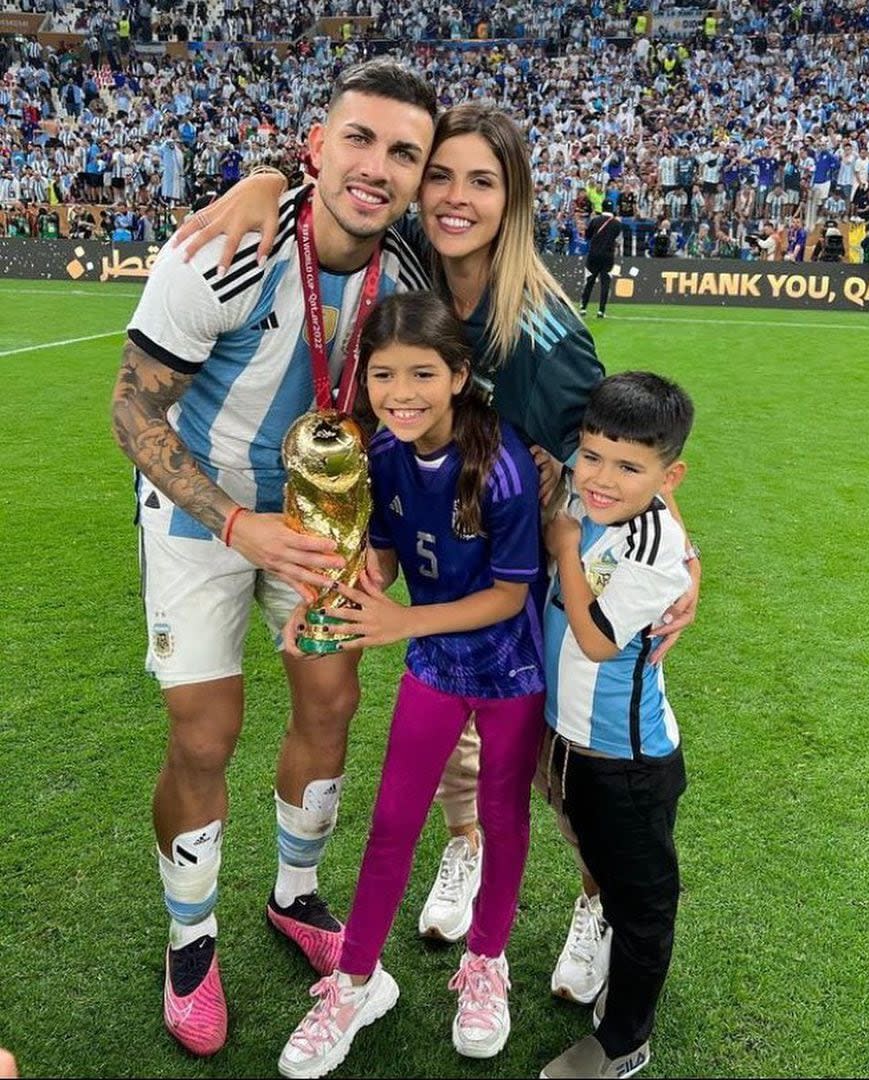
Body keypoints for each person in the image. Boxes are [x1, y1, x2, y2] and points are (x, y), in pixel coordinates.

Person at [175, 100, 699, 1023]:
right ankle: (464, 850)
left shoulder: (541, 326)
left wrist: (679, 560)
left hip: (534, 563)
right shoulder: (412, 258)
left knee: (550, 755)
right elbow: (334, 196)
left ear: (515, 197)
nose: (454, 197)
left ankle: (595, 902)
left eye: (481, 181)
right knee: (462, 739)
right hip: (441, 550)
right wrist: (265, 182)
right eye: (441, 175)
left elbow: (614, 450)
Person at [110, 59, 438, 1057]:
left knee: (331, 703)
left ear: (420, 177)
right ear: (317, 143)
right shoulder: (225, 249)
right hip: (198, 507)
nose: (376, 167)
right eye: (359, 139)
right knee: (205, 736)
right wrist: (233, 524)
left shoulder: (411, 278)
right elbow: (132, 407)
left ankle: (296, 895)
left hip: (321, 518)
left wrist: (370, 536)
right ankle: (190, 939)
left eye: (403, 153)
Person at [277, 291, 546, 1078]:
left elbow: (507, 594)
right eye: (383, 374)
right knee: (392, 821)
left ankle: (487, 966)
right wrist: (327, 605)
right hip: (434, 668)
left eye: (422, 374)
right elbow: (386, 560)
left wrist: (401, 625)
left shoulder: (500, 466)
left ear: (459, 375)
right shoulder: (383, 458)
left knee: (502, 817)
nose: (400, 393)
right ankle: (356, 981)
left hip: (508, 673)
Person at [539, 371, 696, 1080]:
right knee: (599, 867)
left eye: (629, 467)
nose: (601, 479)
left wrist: (565, 546)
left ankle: (624, 1040)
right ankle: (598, 936)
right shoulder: (585, 495)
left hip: (625, 764)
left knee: (642, 905)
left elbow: (599, 640)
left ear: (670, 476)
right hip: (565, 745)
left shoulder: (652, 549)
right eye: (592, 455)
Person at [579, 208, 622, 318]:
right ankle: (601, 311)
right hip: (608, 256)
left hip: (594, 254)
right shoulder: (616, 223)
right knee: (605, 283)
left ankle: (583, 307)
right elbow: (617, 238)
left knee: (590, 281)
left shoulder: (595, 220)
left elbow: (587, 236)